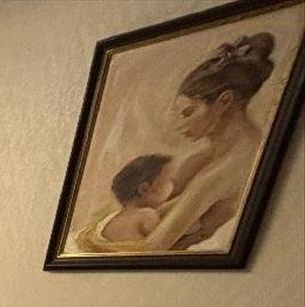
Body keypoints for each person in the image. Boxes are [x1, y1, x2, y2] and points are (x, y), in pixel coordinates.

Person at [76, 32, 277, 253]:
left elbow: (150, 250)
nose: (179, 126)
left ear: (225, 101)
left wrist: (92, 242)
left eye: (189, 112)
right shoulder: (207, 158)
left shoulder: (222, 172)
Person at [99, 154, 175, 241]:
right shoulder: (147, 215)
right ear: (144, 189)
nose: (174, 185)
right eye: (170, 180)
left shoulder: (113, 218)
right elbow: (166, 243)